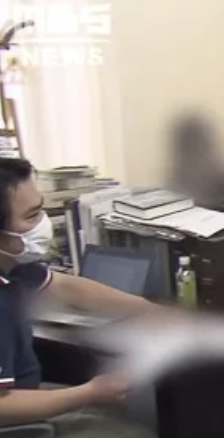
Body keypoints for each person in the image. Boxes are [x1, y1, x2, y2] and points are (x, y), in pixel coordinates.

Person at [0, 158, 160, 435]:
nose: (43, 223)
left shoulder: (13, 265)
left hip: (25, 391)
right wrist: (90, 392)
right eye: (31, 216)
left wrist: (149, 309)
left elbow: (65, 286)